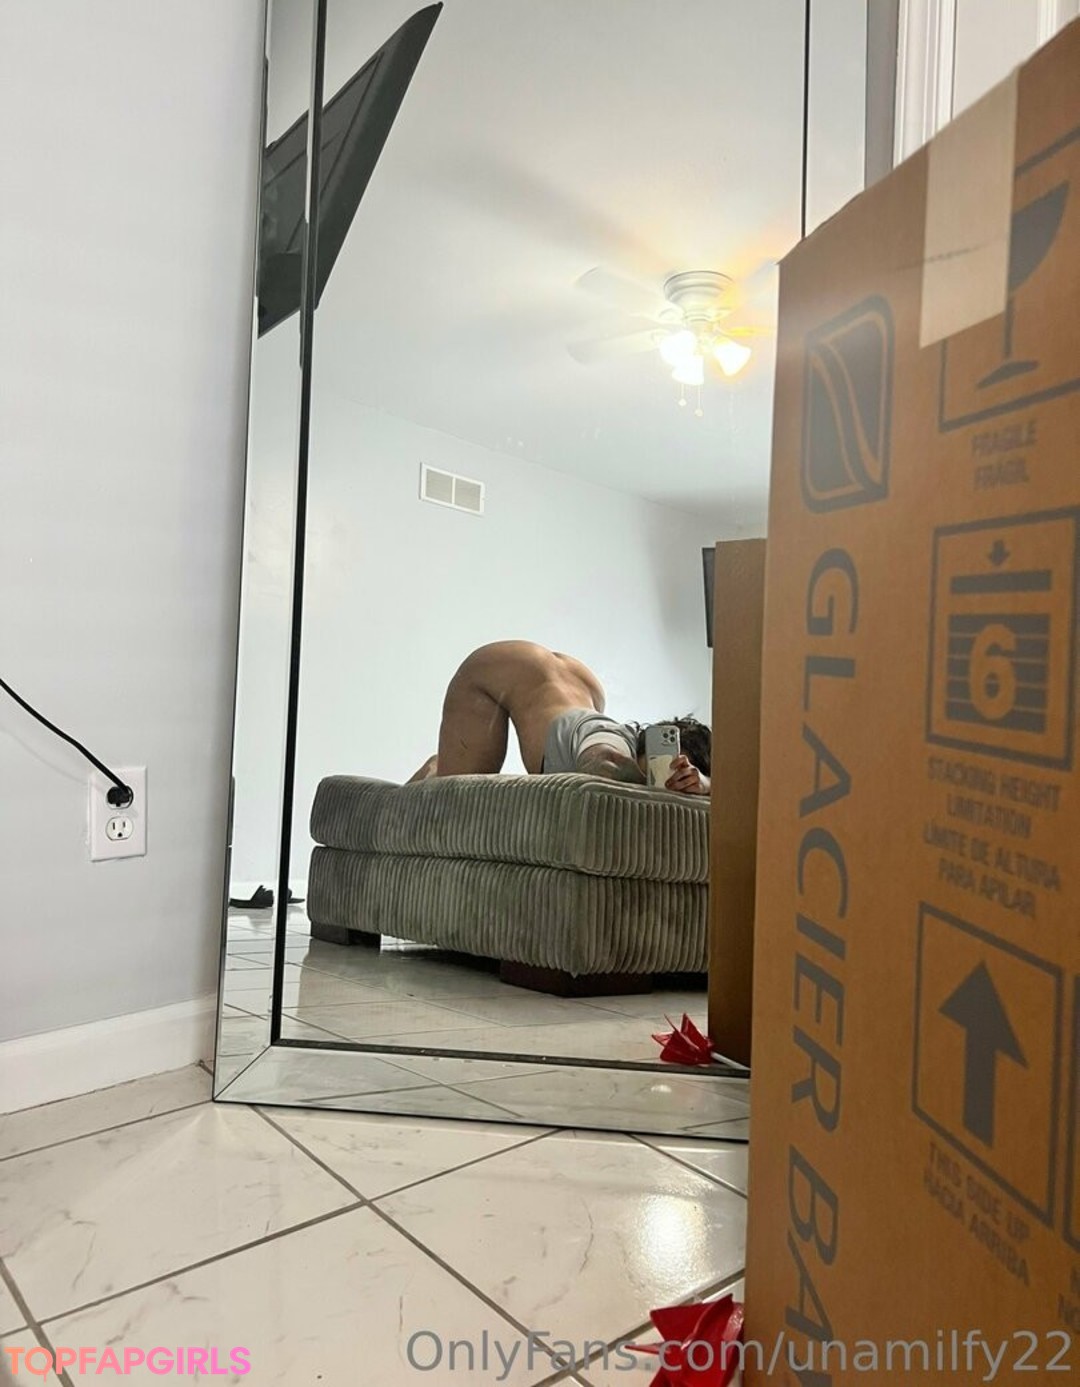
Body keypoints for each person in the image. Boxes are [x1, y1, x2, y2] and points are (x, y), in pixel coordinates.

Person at [408, 640, 710, 795]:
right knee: (453, 795)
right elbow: (604, 761)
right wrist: (647, 782)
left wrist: (705, 785)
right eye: (666, 764)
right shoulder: (611, 739)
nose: (668, 777)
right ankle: (435, 768)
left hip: (580, 685)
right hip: (494, 670)